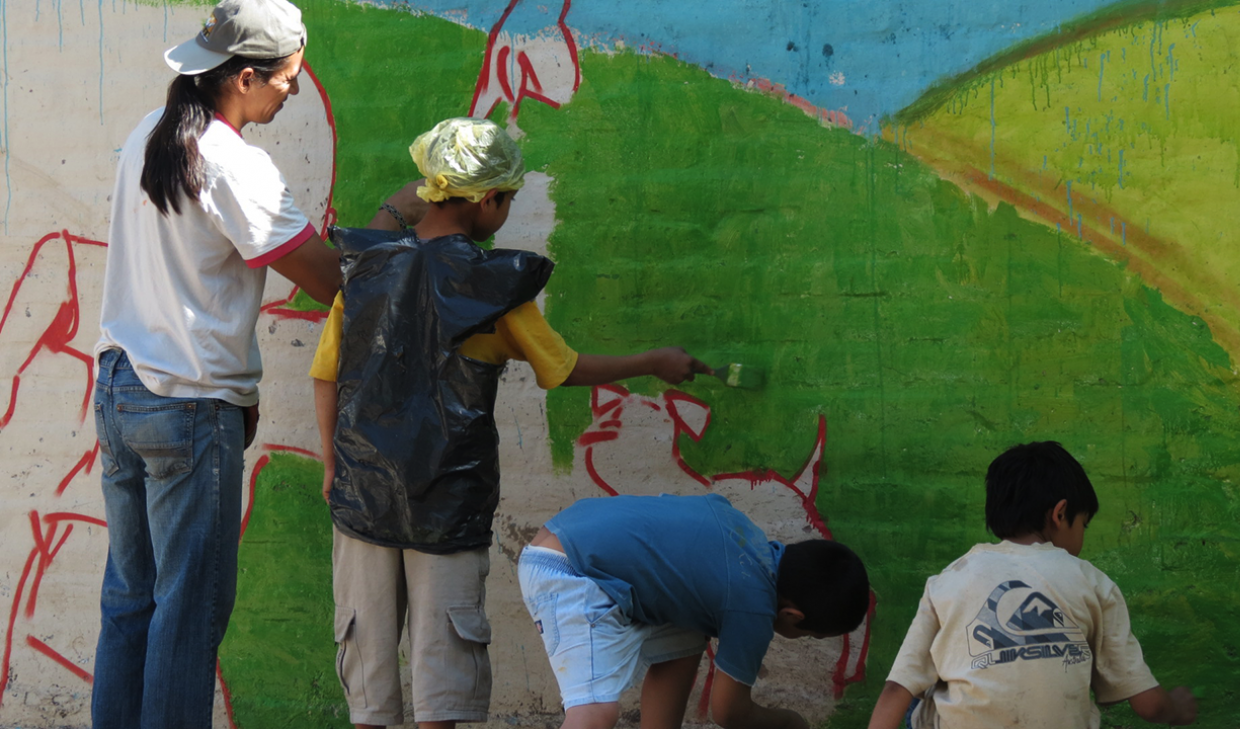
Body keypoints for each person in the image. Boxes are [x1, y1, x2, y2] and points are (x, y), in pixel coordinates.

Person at [310, 116, 710, 729]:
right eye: (509, 198)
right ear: (488, 200)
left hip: (363, 499)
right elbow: (564, 369)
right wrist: (654, 360)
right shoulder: (496, 290)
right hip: (449, 504)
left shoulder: (364, 270)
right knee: (442, 678)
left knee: (369, 678)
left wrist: (334, 463)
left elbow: (326, 372)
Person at [91, 0, 342, 726]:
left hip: (122, 389)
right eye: (287, 78)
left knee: (131, 601)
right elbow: (324, 281)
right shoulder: (234, 163)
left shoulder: (151, 132)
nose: (292, 90)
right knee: (188, 611)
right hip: (187, 404)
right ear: (243, 77)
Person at [867, 441, 1198, 729]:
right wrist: (1177, 708)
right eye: (1083, 524)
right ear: (1060, 514)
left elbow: (897, 689)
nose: (1082, 535)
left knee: (921, 695)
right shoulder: (1093, 582)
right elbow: (1150, 706)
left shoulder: (948, 581)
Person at [520, 492, 870, 729]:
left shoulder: (744, 535)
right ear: (793, 616)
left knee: (687, 636)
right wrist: (789, 721)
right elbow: (729, 712)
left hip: (572, 538)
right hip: (571, 572)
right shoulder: (754, 607)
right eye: (810, 635)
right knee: (596, 712)